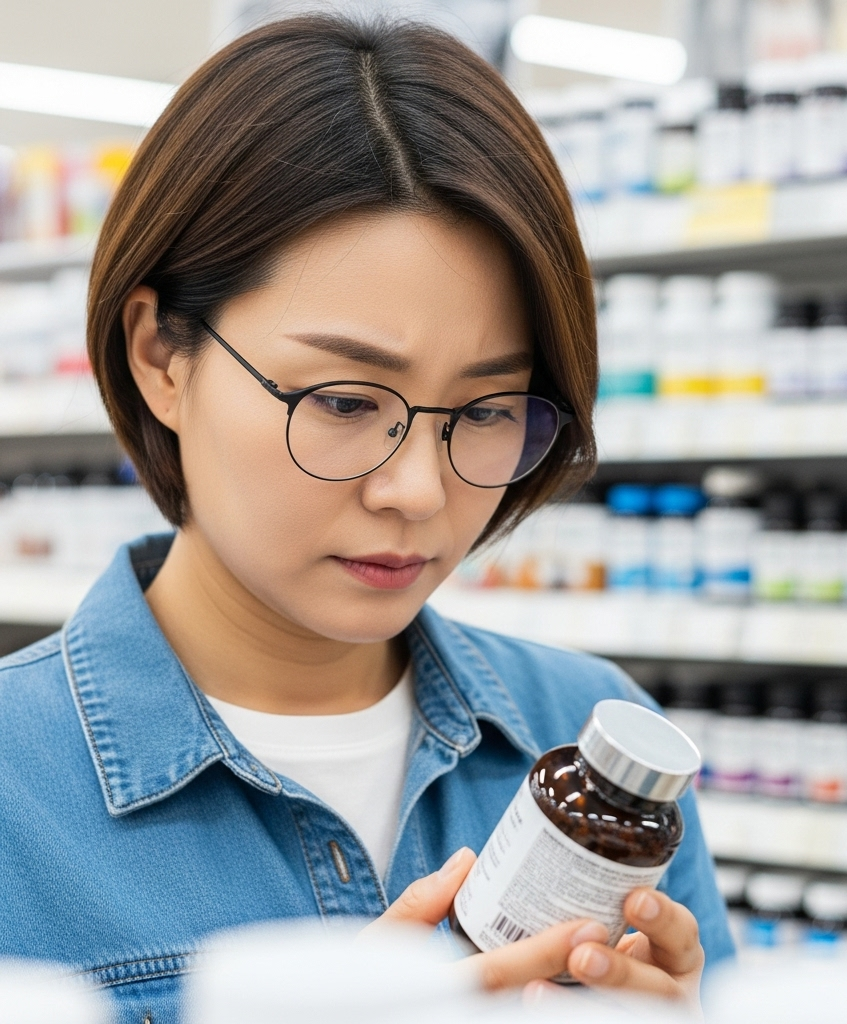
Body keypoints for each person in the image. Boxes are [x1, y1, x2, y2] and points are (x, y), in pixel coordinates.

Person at [0, 15, 733, 1024]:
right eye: (344, 402)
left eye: (484, 412)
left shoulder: (585, 743)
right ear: (160, 357)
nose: (418, 492)